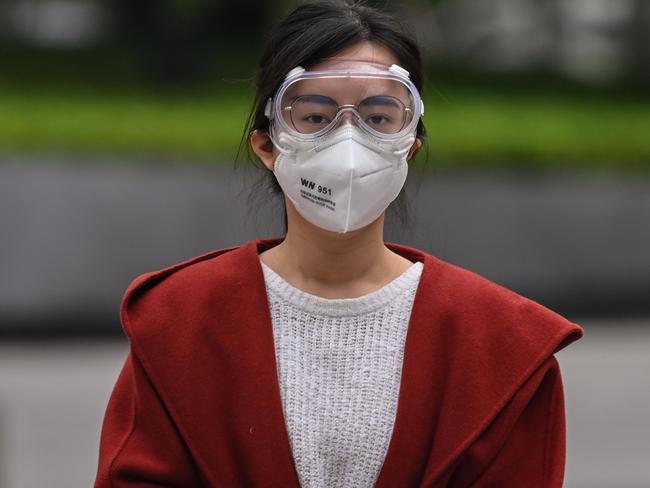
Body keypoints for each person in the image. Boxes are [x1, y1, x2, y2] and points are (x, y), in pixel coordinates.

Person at [94, 1, 584, 487]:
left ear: (410, 145)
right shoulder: (178, 324)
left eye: (378, 117)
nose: (347, 146)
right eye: (313, 116)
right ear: (267, 145)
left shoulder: (502, 348)